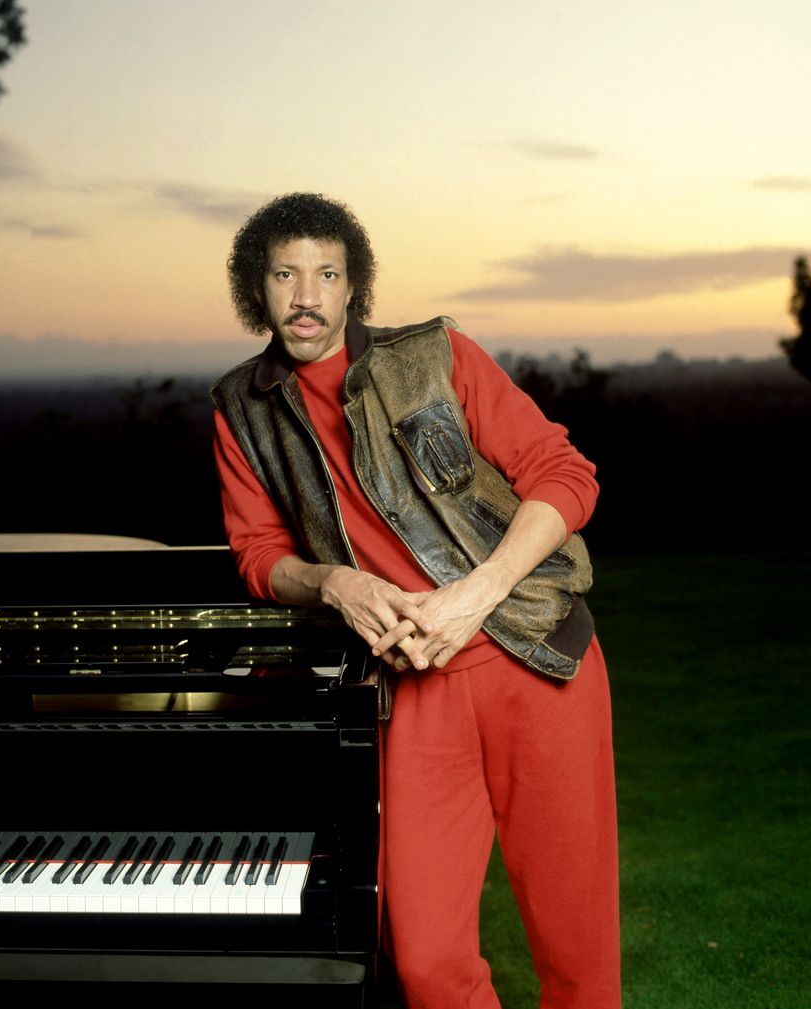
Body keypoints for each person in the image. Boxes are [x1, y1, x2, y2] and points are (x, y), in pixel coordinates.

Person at [210, 192, 619, 1009]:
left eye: (327, 274)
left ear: (353, 285)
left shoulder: (436, 354)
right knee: (426, 962)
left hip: (534, 654)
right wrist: (334, 581)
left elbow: (566, 474)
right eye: (285, 274)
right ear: (256, 286)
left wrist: (477, 593)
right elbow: (257, 554)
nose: (306, 295)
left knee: (576, 950)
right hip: (410, 687)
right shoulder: (240, 408)